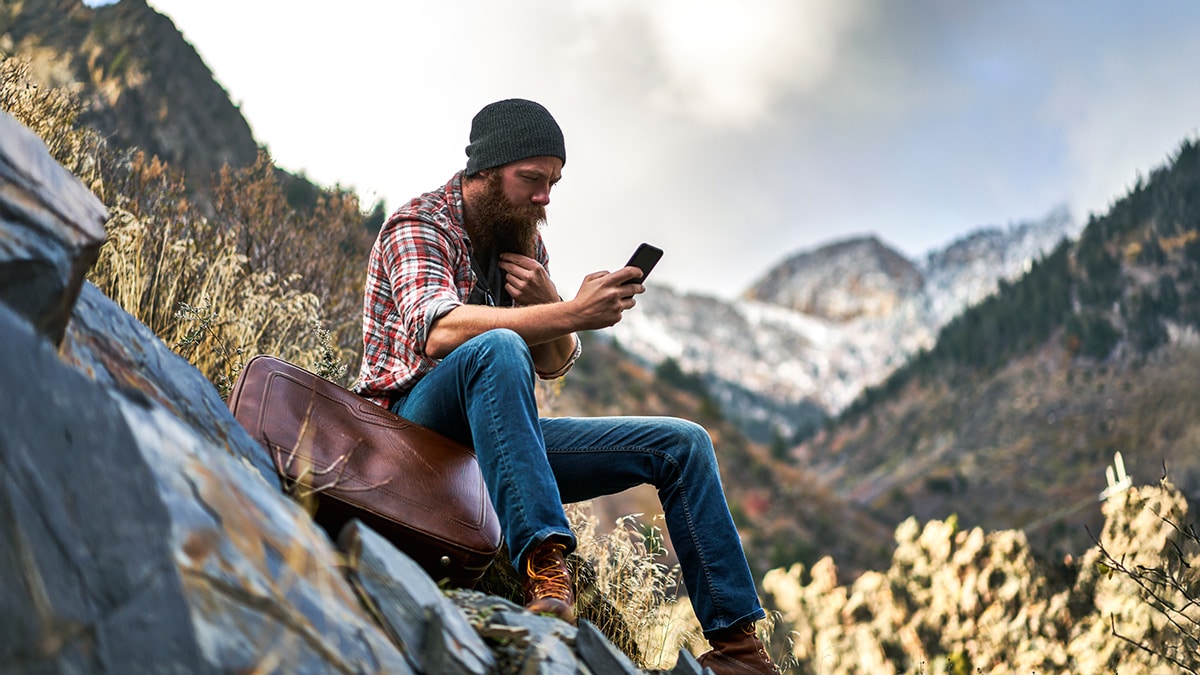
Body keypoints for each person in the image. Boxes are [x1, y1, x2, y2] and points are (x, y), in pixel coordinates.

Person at [354, 98, 779, 674]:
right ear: (484, 170)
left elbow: (554, 363)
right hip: (411, 432)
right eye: (531, 179)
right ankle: (545, 569)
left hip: (498, 444)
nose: (544, 196)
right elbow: (440, 331)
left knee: (683, 443)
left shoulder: (522, 244)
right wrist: (574, 311)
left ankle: (738, 650)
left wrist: (550, 302)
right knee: (498, 347)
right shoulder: (419, 225)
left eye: (553, 182)